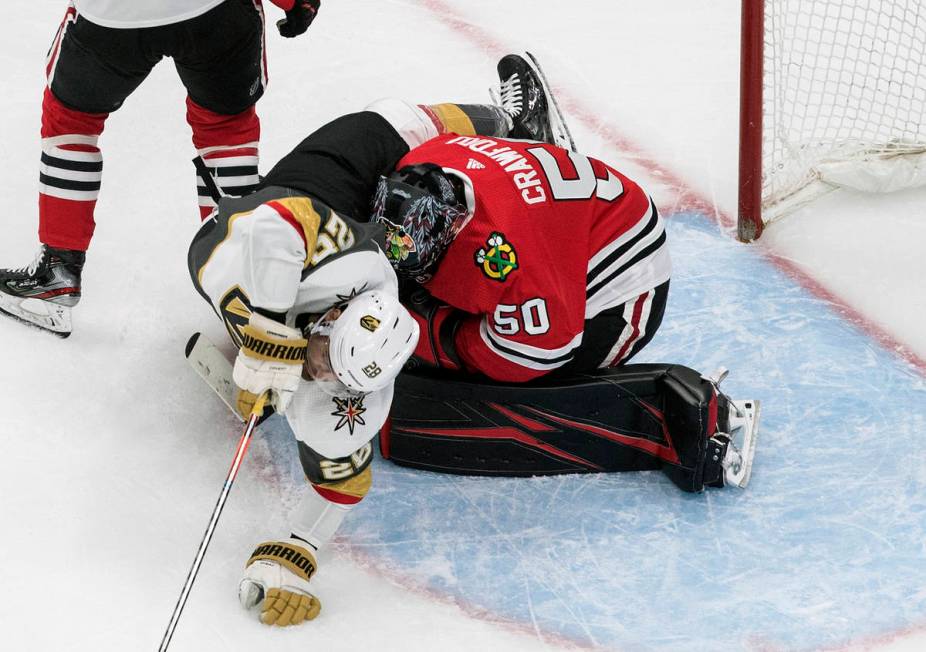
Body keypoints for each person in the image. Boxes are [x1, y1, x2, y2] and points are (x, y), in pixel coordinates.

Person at [0, 0, 322, 337]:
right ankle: (246, 287)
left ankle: (57, 273)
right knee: (226, 131)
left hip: (114, 15)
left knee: (71, 121)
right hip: (214, 12)